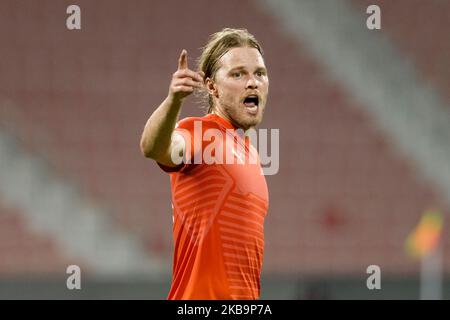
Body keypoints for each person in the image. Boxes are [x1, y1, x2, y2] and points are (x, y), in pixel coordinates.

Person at [140, 28, 269, 300]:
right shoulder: (200, 133)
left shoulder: (251, 155)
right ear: (212, 87)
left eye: (259, 73)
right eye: (238, 74)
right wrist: (173, 100)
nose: (253, 82)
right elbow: (153, 147)